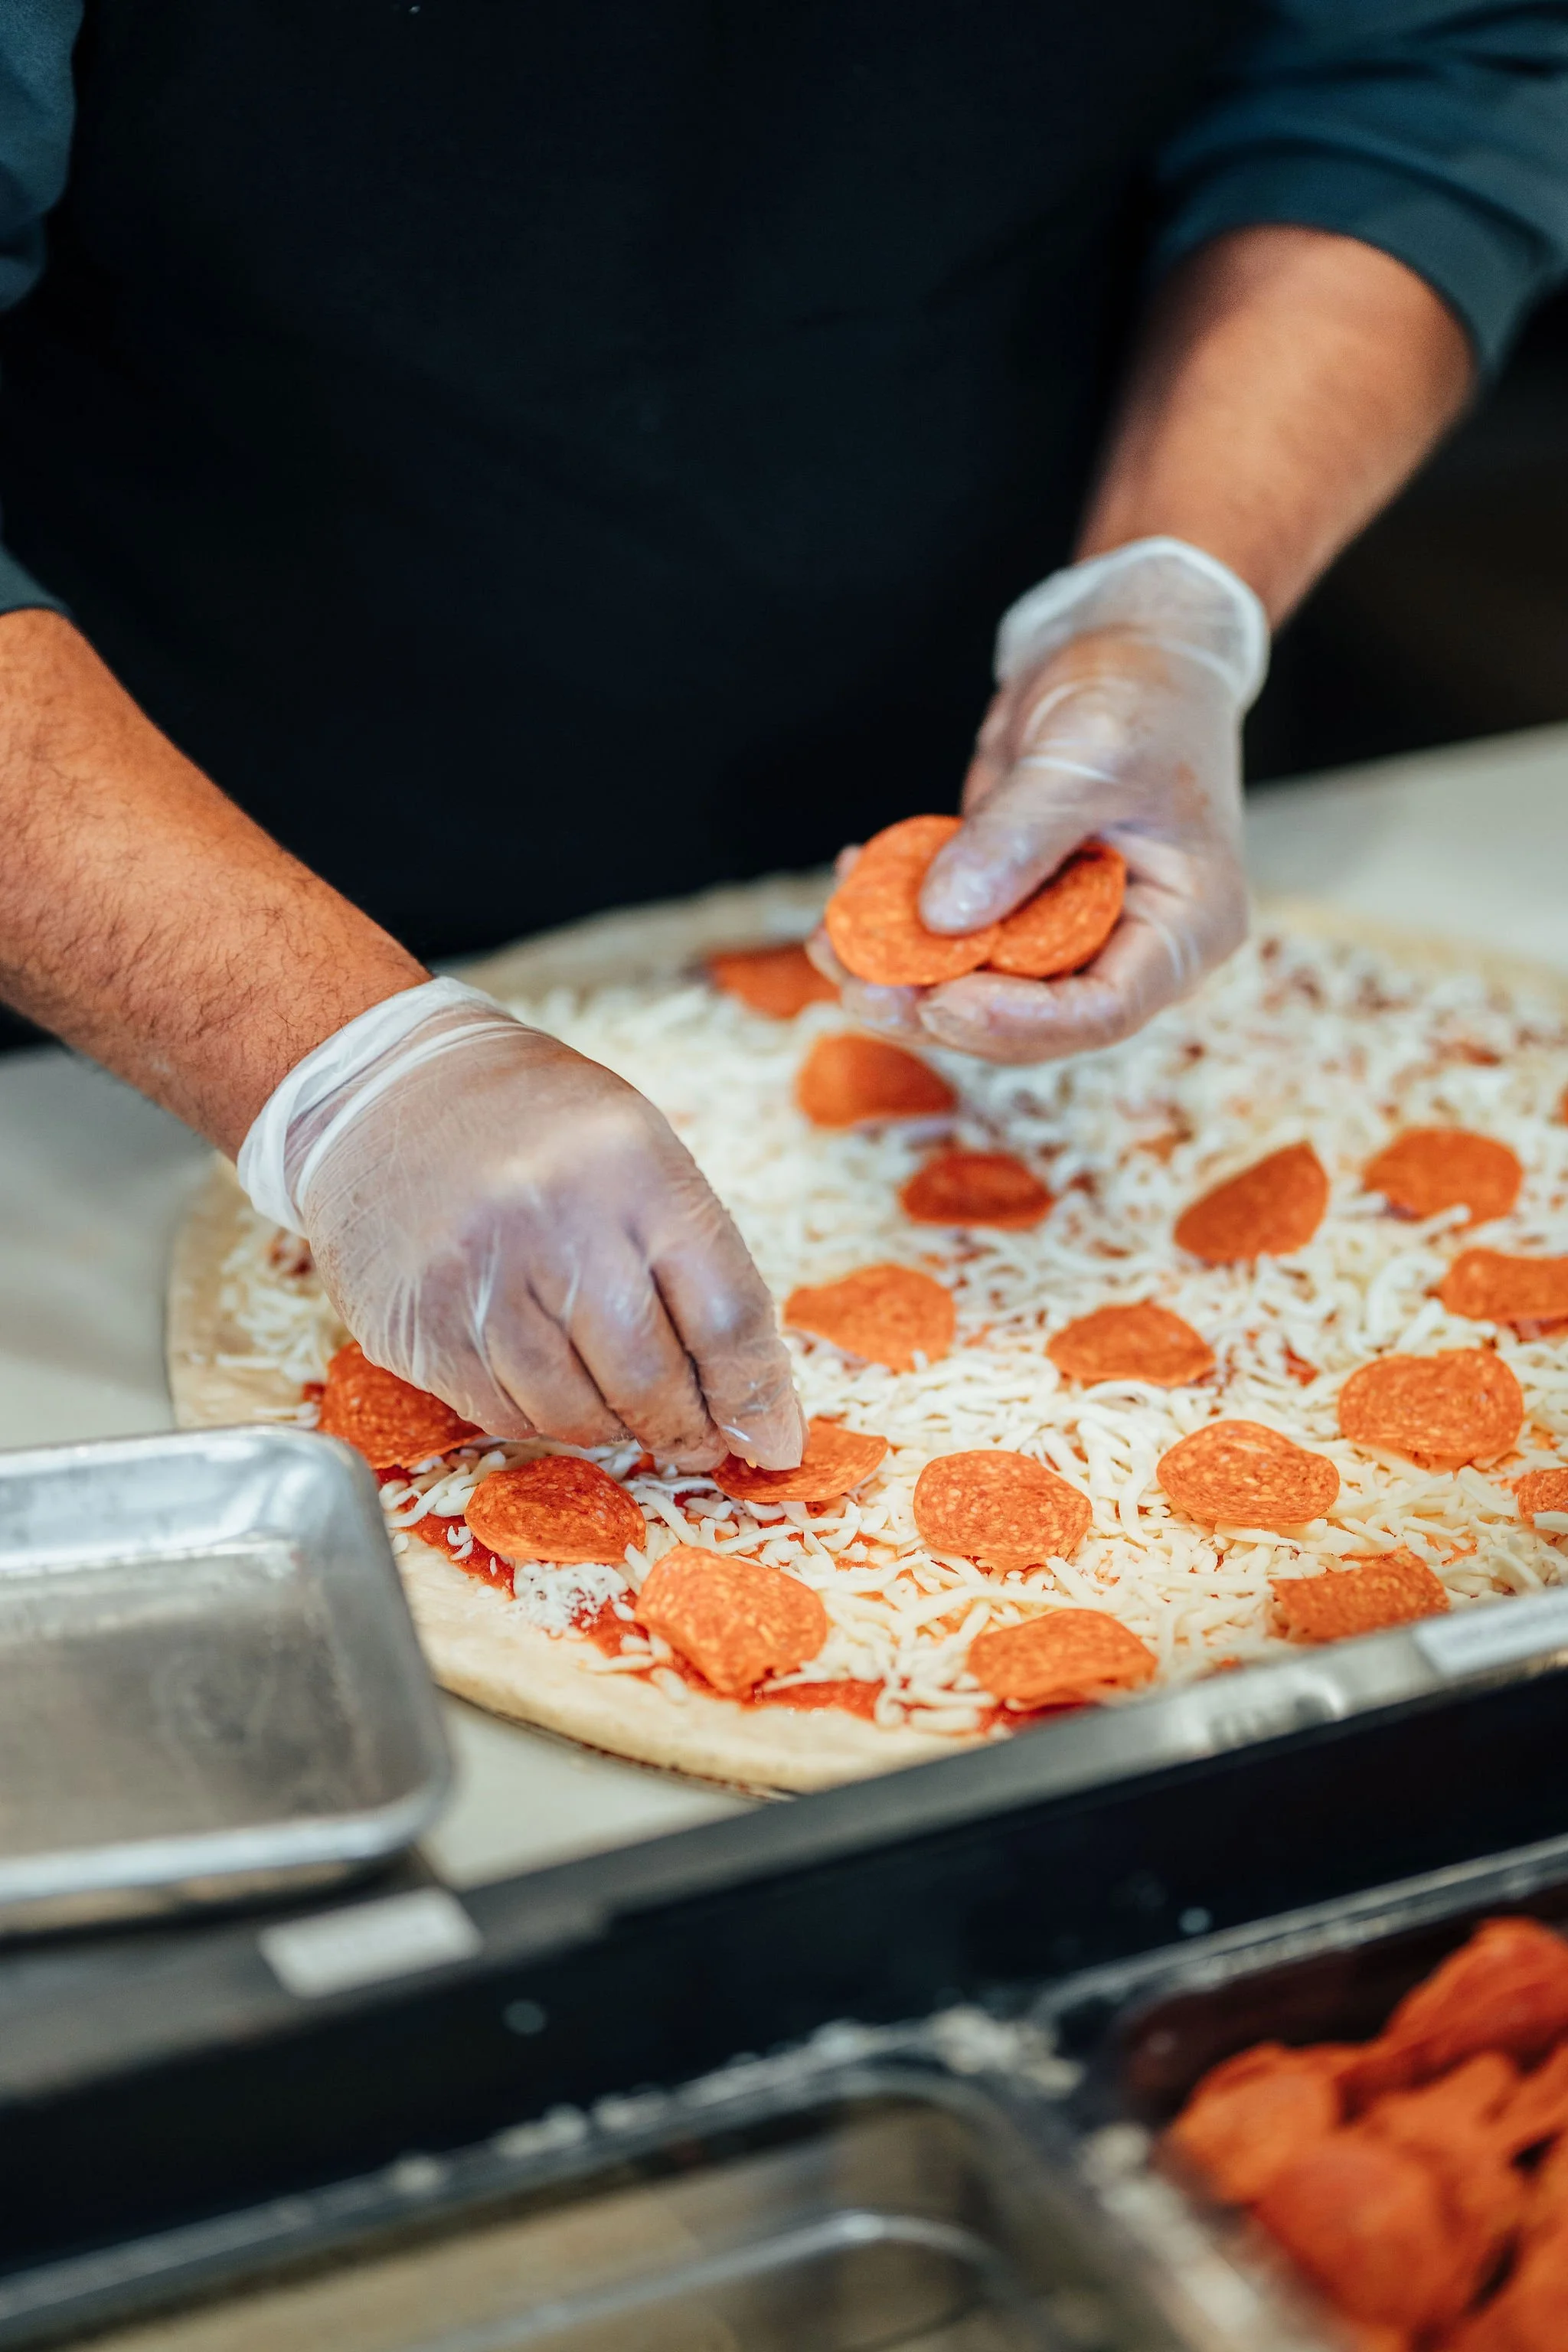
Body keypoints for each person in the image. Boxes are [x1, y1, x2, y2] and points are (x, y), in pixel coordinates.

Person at [0, 2, 1564, 1474]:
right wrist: (326, 1068)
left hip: (1015, 705)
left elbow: (1414, 68)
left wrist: (1176, 591)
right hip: (169, 856)